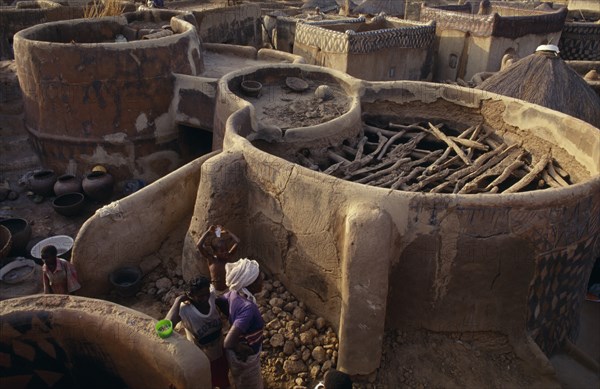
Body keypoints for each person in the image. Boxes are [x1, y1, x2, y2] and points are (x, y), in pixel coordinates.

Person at [165, 276, 230, 389]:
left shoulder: (212, 298)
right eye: (200, 296)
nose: (205, 298)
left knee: (223, 379)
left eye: (206, 294)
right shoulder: (185, 310)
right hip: (202, 358)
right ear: (190, 296)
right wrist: (178, 300)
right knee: (206, 382)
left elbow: (228, 309)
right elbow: (166, 326)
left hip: (219, 351)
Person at [218, 258, 265, 389]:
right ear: (250, 284)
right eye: (259, 278)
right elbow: (228, 343)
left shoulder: (234, 293)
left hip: (236, 356)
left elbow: (220, 301)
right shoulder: (248, 308)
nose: (262, 281)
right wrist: (242, 349)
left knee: (240, 380)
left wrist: (231, 317)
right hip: (245, 357)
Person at [197, 225, 241, 294]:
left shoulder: (228, 256)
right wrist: (208, 232)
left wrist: (228, 232)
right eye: (221, 251)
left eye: (226, 249)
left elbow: (237, 241)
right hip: (215, 291)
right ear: (215, 252)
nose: (225, 252)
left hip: (228, 290)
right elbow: (199, 245)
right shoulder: (211, 259)